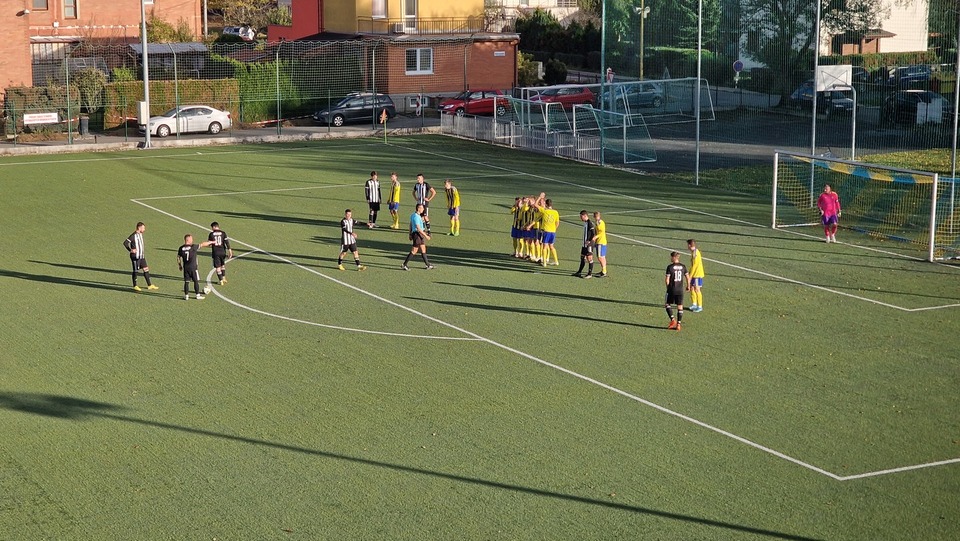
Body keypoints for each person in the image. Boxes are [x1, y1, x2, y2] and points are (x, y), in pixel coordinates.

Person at [122, 221, 159, 292]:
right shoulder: (133, 236)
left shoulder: (140, 234)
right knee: (135, 270)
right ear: (139, 228)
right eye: (143, 228)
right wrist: (130, 250)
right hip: (135, 257)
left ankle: (149, 285)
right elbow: (125, 243)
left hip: (142, 256)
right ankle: (135, 285)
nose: (144, 229)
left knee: (146, 269)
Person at [178, 234, 214, 300]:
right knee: (196, 281)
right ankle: (197, 295)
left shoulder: (181, 248)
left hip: (186, 268)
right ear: (188, 239)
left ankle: (186, 296)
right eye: (191, 239)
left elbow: (178, 257)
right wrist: (211, 242)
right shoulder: (193, 247)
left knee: (186, 282)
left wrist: (180, 265)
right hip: (193, 267)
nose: (192, 240)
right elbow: (202, 244)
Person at [402, 203, 434, 270]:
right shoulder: (416, 217)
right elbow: (418, 228)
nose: (423, 209)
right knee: (414, 250)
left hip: (419, 234)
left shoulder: (413, 215)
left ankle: (428, 265)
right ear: (418, 208)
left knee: (423, 249)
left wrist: (410, 234)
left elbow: (410, 225)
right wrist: (426, 236)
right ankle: (404, 264)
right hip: (417, 235)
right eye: (422, 208)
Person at [665, 251, 691, 331]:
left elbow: (667, 279)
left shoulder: (670, 267)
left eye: (671, 257)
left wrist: (668, 288)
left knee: (667, 304)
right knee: (680, 306)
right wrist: (688, 285)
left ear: (674, 257)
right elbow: (687, 277)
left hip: (672, 289)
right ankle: (679, 324)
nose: (670, 258)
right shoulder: (683, 266)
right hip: (680, 290)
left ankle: (673, 320)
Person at [538, 198, 560, 266]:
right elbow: (557, 223)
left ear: (546, 204)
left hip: (546, 231)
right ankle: (556, 261)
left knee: (544, 246)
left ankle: (544, 262)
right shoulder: (556, 212)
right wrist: (554, 229)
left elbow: (535, 205)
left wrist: (540, 197)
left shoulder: (544, 211)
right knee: (551, 246)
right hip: (553, 232)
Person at [574, 210, 595, 278]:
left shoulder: (590, 223)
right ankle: (579, 272)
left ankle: (589, 274)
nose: (580, 218)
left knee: (589, 258)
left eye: (581, 216)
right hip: (584, 244)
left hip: (589, 245)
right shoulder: (585, 223)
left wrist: (589, 240)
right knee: (582, 257)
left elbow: (593, 233)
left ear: (585, 216)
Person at [687, 239, 705, 312]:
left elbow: (695, 266)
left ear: (689, 245)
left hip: (697, 275)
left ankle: (700, 306)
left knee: (697, 289)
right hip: (694, 274)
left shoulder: (695, 254)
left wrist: (690, 276)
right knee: (692, 288)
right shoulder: (694, 252)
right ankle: (694, 304)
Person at [592, 211, 608, 277]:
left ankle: (604, 271)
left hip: (601, 242)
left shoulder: (601, 223)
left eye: (597, 216)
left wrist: (595, 237)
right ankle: (604, 271)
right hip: (600, 242)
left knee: (600, 257)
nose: (596, 218)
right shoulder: (597, 223)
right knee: (602, 257)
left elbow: (601, 233)